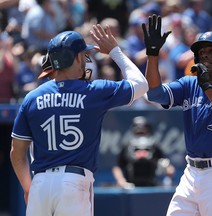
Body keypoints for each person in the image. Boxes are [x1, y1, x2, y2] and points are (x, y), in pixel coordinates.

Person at [10, 24, 148, 216]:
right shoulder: (93, 91)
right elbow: (141, 85)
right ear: (76, 57)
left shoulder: (32, 98)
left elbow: (16, 153)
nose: (86, 59)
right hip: (73, 183)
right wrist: (115, 52)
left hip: (40, 184)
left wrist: (28, 188)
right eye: (83, 55)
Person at [142, 14, 212, 216]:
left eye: (211, 50)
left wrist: (208, 89)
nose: (204, 55)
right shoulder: (189, 84)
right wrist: (152, 54)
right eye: (201, 51)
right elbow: (155, 94)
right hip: (191, 172)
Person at [112, 116, 175, 188]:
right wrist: (121, 180)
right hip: (130, 186)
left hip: (151, 186)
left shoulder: (154, 145)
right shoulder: (127, 145)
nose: (141, 133)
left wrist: (168, 170)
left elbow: (168, 166)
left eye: (143, 131)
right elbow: (118, 166)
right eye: (138, 131)